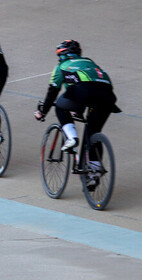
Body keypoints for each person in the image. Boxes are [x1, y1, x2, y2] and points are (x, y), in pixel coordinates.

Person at [34, 40, 119, 187]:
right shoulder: (90, 63)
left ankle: (72, 138)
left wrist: (42, 111)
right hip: (107, 95)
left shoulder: (61, 66)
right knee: (93, 131)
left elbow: (53, 91)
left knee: (60, 107)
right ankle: (94, 171)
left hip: (83, 91)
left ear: (63, 56)